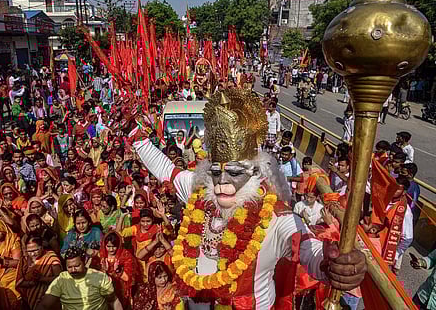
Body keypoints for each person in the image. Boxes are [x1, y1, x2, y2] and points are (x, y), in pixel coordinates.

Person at [127, 88, 367, 308]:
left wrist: (335, 267)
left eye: (233, 173)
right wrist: (133, 132)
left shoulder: (276, 217)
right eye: (216, 172)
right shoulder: (198, 190)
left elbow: (309, 250)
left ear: (253, 173)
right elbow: (166, 169)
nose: (222, 181)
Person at [36, 246, 123, 310]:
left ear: (84, 261)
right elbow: (44, 305)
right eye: (69, 267)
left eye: (77, 266)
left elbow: (113, 301)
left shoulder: (99, 277)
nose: (73, 270)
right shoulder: (61, 280)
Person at [16, 236, 62, 310]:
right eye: (29, 251)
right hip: (30, 299)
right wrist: (31, 283)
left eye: (35, 250)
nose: (33, 254)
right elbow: (19, 282)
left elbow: (60, 279)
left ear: (42, 247)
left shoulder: (51, 258)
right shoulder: (24, 260)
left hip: (49, 299)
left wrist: (42, 279)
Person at [99, 231, 137, 308]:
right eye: (108, 246)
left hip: (121, 291)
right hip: (105, 290)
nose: (111, 249)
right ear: (104, 245)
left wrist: (118, 270)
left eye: (114, 246)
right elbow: (97, 278)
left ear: (119, 245)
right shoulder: (101, 256)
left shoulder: (126, 256)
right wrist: (104, 270)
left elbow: (128, 279)